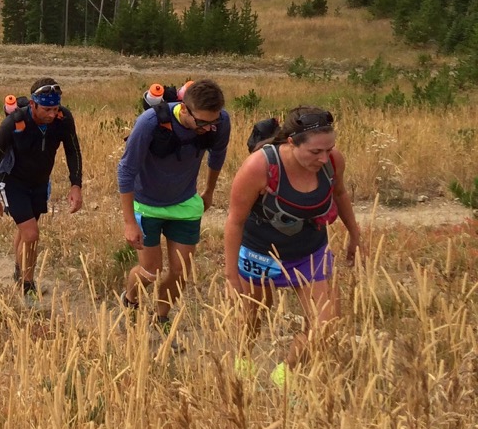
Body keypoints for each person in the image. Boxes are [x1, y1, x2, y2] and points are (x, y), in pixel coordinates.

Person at [223, 106, 360, 387]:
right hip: (262, 252)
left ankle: (286, 374)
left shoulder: (333, 162)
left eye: (329, 149)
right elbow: (235, 221)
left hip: (310, 251)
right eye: (315, 152)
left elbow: (340, 193)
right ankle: (243, 359)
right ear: (290, 143)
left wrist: (356, 234)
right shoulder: (259, 167)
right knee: (254, 313)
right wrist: (230, 275)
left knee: (327, 324)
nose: (323, 158)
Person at [118, 78, 230, 327]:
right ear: (184, 108)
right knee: (150, 271)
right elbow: (126, 170)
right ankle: (130, 300)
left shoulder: (219, 122)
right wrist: (129, 223)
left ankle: (161, 318)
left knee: (180, 272)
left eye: (214, 122)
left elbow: (218, 156)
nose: (209, 128)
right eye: (202, 122)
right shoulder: (150, 123)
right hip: (146, 204)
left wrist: (209, 191)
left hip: (185, 204)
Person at [0, 78, 83, 300]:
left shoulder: (63, 119)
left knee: (25, 233)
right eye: (46, 109)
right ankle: (27, 288)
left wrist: (76, 185)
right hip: (12, 181)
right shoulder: (14, 123)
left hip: (39, 182)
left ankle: (20, 273)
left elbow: (73, 151)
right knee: (31, 234)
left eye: (55, 108)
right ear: (32, 105)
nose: (52, 114)